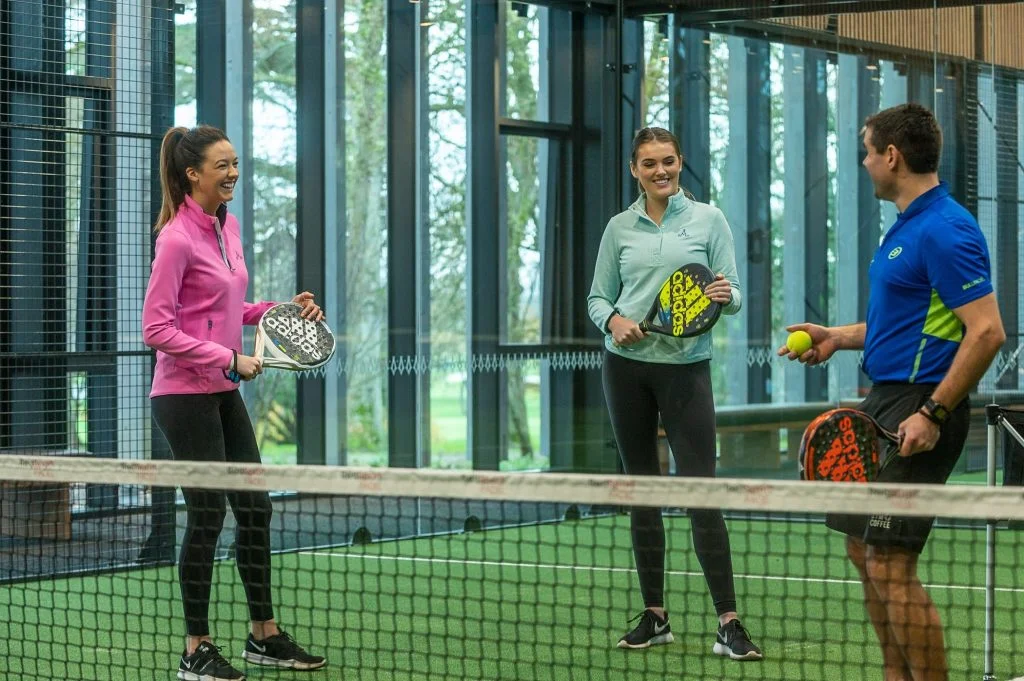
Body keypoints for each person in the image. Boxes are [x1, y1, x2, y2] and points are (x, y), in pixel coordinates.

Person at [779, 103, 1005, 681]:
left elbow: (986, 331)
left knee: (890, 563)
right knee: (865, 551)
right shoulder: (907, 226)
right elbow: (907, 325)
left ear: (892, 156)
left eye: (866, 149)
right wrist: (838, 336)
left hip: (921, 406)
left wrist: (933, 411)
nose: (863, 161)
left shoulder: (946, 229)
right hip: (886, 400)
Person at [143, 125, 327, 681]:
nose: (232, 174)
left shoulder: (229, 227)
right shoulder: (175, 239)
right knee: (207, 515)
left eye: (236, 163)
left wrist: (280, 310)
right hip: (181, 396)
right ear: (191, 174)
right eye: (221, 166)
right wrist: (227, 358)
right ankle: (194, 649)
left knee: (255, 509)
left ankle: (263, 636)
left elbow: (224, 304)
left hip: (222, 391)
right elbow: (156, 327)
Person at [588, 126, 762, 661]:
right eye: (649, 164)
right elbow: (598, 298)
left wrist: (724, 293)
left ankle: (728, 623)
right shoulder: (620, 228)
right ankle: (656, 616)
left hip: (687, 370)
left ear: (680, 163)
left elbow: (732, 294)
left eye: (668, 162)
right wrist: (614, 321)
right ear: (634, 170)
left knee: (700, 494)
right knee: (642, 492)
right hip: (625, 372)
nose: (660, 171)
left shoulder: (708, 220)